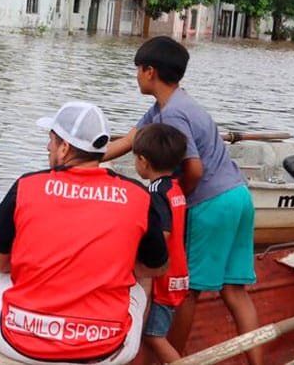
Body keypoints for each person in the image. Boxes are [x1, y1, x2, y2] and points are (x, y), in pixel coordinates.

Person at [104, 36, 261, 365]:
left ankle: (173, 360)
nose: (136, 76)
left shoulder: (173, 114)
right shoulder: (171, 104)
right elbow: (133, 139)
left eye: (138, 70)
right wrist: (85, 158)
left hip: (211, 203)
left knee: (186, 289)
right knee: (234, 291)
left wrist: (178, 201)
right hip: (239, 197)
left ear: (150, 72)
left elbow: (194, 168)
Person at [0, 101, 168, 365]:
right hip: (108, 350)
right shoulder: (138, 195)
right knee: (142, 280)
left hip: (18, 343)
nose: (48, 147)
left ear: (65, 148)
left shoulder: (26, 186)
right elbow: (156, 268)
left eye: (52, 141)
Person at [132, 123, 189, 363]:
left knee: (154, 335)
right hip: (179, 273)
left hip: (163, 279)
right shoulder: (175, 188)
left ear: (143, 162)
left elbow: (162, 233)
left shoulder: (155, 193)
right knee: (150, 334)